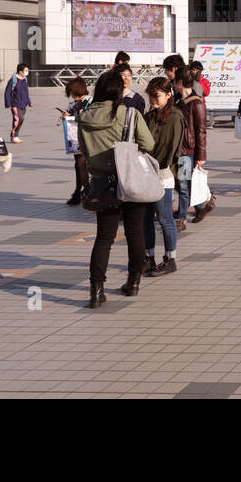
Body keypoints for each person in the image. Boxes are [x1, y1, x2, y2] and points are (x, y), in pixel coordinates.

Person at [78, 69, 155, 307]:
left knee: (104, 238)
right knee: (135, 232)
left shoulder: (84, 116)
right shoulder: (128, 114)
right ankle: (133, 283)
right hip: (129, 179)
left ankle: (96, 291)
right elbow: (149, 144)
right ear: (118, 91)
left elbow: (82, 148)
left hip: (102, 182)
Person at [142, 76, 184, 277]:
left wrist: (148, 161)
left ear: (169, 95)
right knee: (146, 219)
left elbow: (168, 150)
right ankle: (148, 257)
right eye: (150, 96)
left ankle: (170, 259)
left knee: (165, 218)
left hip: (162, 175)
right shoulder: (149, 116)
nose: (153, 100)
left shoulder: (175, 117)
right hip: (146, 174)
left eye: (156, 96)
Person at [176, 70, 212, 227]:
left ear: (180, 83)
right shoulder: (179, 102)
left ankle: (181, 218)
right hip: (179, 150)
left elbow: (201, 131)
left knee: (184, 186)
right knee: (185, 184)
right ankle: (202, 205)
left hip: (188, 152)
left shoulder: (197, 104)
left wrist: (201, 156)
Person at [59, 77, 91, 204]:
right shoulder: (72, 104)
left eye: (71, 92)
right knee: (78, 165)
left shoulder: (91, 101)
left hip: (88, 138)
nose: (71, 96)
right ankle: (79, 191)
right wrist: (64, 116)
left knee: (81, 165)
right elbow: (67, 119)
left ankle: (86, 191)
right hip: (75, 139)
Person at [3, 64, 32, 143]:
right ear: (20, 71)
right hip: (15, 104)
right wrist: (8, 104)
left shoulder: (25, 79)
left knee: (20, 120)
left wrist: (29, 102)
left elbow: (26, 92)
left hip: (23, 104)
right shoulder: (13, 80)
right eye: (26, 71)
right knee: (19, 119)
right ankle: (14, 136)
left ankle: (16, 136)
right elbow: (7, 92)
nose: (27, 72)